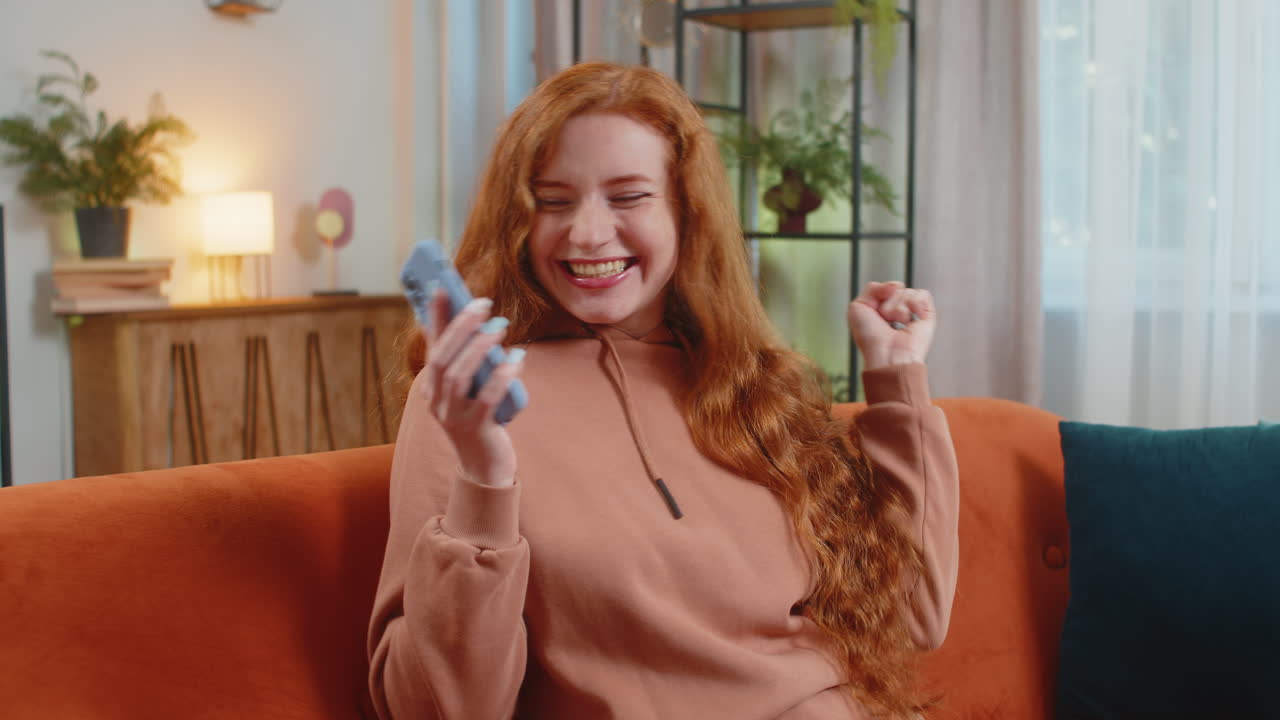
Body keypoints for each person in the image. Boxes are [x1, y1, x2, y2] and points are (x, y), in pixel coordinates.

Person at [367, 62, 958, 720]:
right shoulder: (462, 405)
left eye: (627, 197)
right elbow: (434, 708)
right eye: (553, 200)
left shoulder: (752, 383)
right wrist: (484, 474)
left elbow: (911, 616)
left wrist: (897, 377)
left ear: (686, 211)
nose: (588, 232)